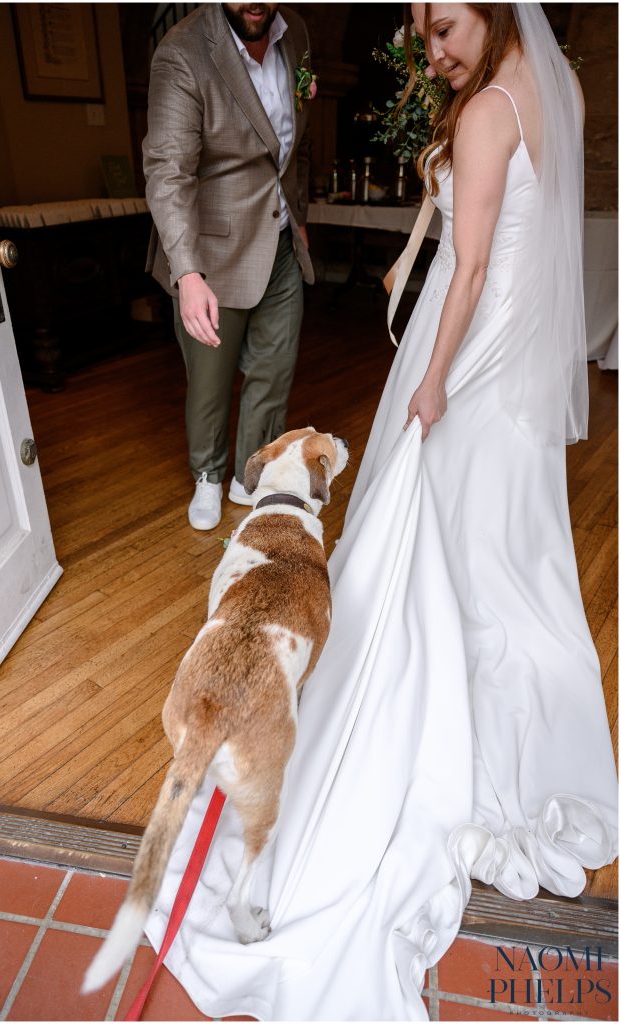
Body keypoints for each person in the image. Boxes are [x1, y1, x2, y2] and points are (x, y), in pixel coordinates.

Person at [141, 4, 618, 1019]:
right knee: (496, 549)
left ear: (490, 11)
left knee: (422, 531)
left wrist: (435, 377)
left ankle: (433, 692)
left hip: (474, 345)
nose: (430, 51)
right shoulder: (554, 81)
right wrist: (414, 255)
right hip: (513, 354)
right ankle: (500, 683)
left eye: (443, 28)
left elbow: (481, 264)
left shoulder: (487, 107)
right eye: (423, 32)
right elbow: (500, 230)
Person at [143, 3, 314, 531]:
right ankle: (209, 476)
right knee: (210, 381)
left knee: (274, 366)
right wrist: (187, 273)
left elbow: (289, 147)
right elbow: (167, 171)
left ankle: (248, 476)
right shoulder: (183, 52)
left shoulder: (298, 33)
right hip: (209, 252)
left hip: (281, 238)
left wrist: (299, 216)